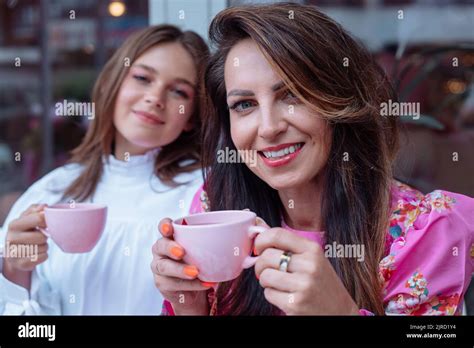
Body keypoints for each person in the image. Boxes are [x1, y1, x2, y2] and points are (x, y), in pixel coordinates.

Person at [151, 3, 474, 315]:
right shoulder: (215, 208)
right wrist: (188, 304)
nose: (268, 128)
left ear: (340, 102)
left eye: (291, 95)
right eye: (245, 104)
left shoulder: (424, 231)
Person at [0, 25, 210, 314]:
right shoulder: (54, 190)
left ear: (191, 117)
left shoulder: (204, 194)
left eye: (178, 92)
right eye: (142, 78)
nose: (155, 97)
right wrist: (14, 265)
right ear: (113, 84)